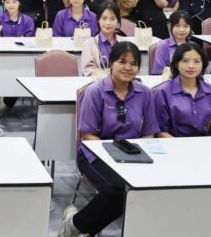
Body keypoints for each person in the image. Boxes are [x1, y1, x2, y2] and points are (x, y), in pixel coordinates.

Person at [61, 42, 158, 237]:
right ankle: (76, 226)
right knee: (117, 189)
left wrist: (137, 156)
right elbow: (88, 135)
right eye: (122, 62)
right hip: (95, 154)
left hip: (133, 154)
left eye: (133, 63)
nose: (128, 68)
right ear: (111, 63)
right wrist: (114, 157)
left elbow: (149, 133)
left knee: (147, 188)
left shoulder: (144, 93)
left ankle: (79, 227)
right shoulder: (95, 92)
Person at [154, 42, 211, 137]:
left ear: (203, 64)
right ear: (176, 63)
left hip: (207, 145)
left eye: (197, 61)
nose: (191, 66)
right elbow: (161, 132)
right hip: (174, 145)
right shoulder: (162, 92)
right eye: (185, 61)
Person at [80, 3, 122, 76]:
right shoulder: (89, 44)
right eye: (104, 18)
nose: (108, 23)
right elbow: (88, 71)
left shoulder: (124, 43)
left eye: (112, 19)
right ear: (98, 20)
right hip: (98, 84)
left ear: (118, 21)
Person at [150, 10, 193, 75]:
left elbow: (201, 70)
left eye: (186, 26)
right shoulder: (163, 46)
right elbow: (158, 72)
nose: (181, 30)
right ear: (171, 26)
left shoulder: (194, 46)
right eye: (178, 26)